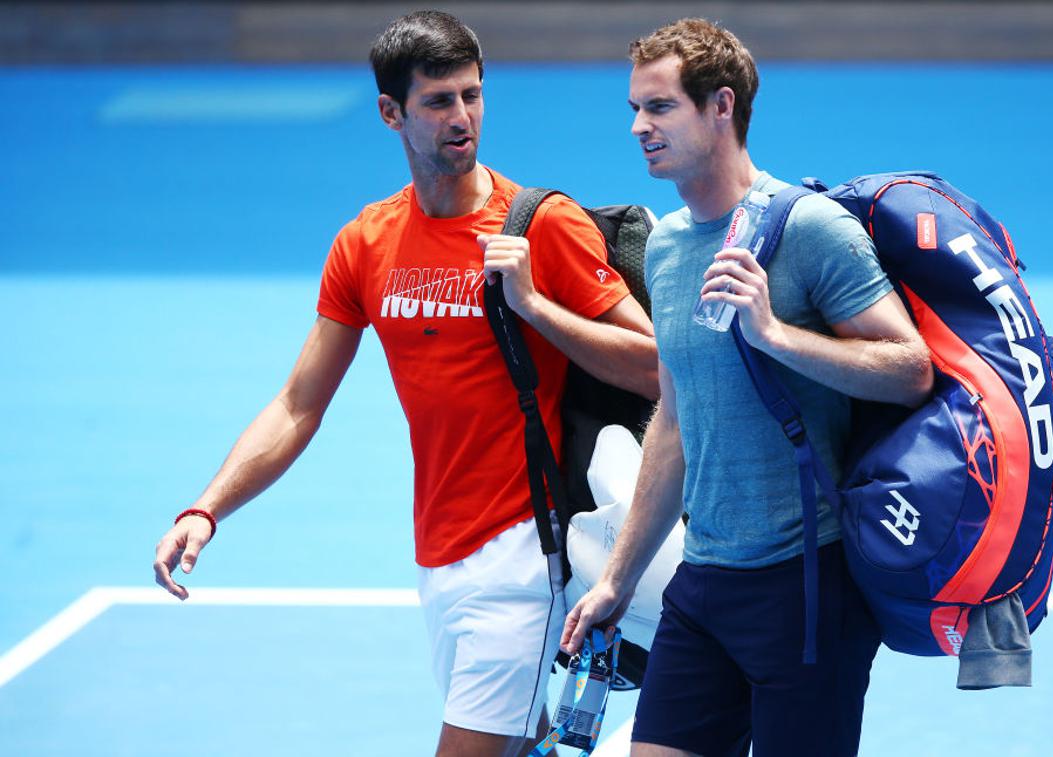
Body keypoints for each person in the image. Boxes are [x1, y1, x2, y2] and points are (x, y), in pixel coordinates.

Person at [151, 11, 658, 757]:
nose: (463, 118)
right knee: (528, 746)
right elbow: (299, 403)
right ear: (391, 112)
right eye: (438, 101)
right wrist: (208, 507)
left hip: (525, 550)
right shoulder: (365, 242)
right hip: (438, 553)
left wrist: (535, 306)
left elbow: (655, 365)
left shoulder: (539, 226)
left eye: (472, 95)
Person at [562, 18, 933, 757]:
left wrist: (775, 334)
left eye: (660, 107)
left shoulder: (811, 229)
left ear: (721, 106)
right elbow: (673, 419)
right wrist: (618, 577)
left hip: (805, 589)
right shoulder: (665, 246)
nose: (639, 126)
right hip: (703, 584)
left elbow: (910, 369)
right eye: (635, 108)